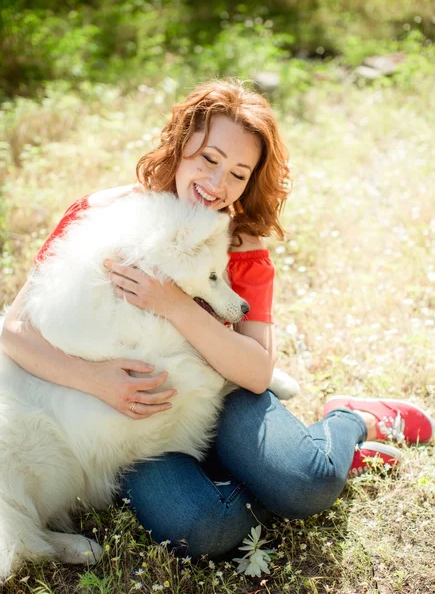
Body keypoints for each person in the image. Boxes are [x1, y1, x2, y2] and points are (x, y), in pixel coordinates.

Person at [1, 79, 433, 560]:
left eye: (238, 173)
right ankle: (258, 473)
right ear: (180, 144)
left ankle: (351, 421)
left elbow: (256, 372)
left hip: (226, 397)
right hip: (137, 422)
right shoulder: (103, 217)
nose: (217, 185)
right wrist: (97, 381)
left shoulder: (241, 244)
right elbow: (13, 331)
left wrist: (172, 303)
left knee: (308, 483)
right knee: (204, 530)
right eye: (209, 159)